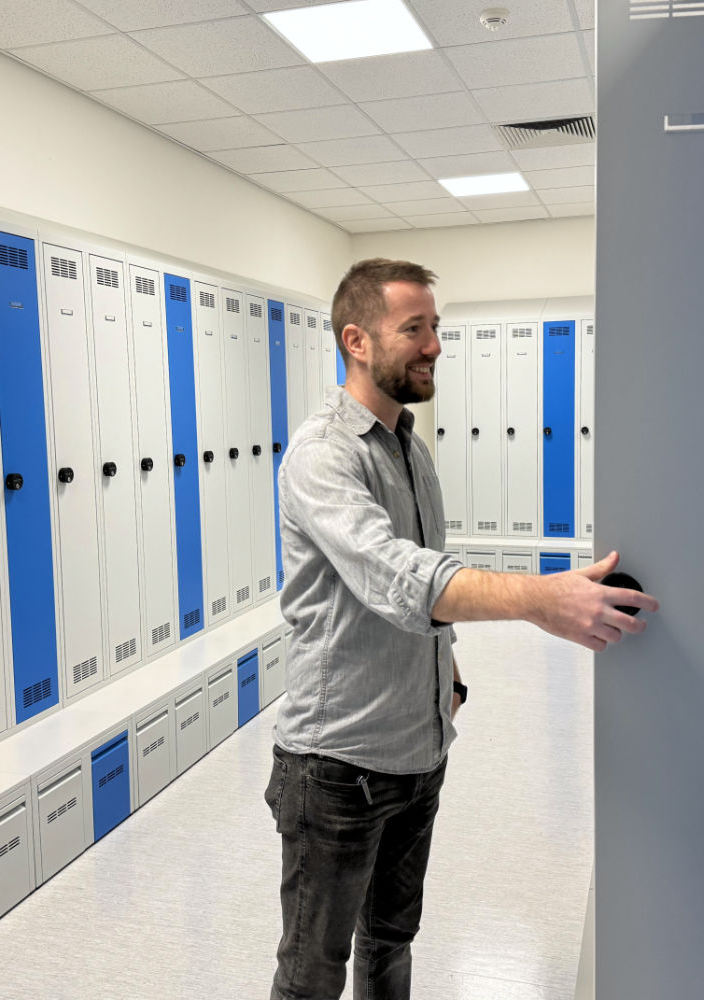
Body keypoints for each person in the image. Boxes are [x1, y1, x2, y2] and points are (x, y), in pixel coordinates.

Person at [266, 258, 659, 1000]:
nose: (434, 345)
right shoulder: (323, 455)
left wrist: (445, 677)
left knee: (389, 945)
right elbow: (396, 577)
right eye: (413, 328)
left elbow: (427, 584)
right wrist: (537, 599)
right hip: (337, 767)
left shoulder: (411, 450)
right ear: (356, 339)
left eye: (435, 328)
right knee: (311, 972)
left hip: (418, 753)